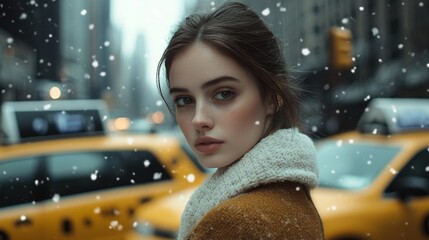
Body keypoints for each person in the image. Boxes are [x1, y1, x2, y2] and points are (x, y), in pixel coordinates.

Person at [156, 1, 324, 239]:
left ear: (272, 97)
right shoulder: (285, 197)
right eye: (184, 100)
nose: (198, 119)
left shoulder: (241, 222)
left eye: (224, 94)